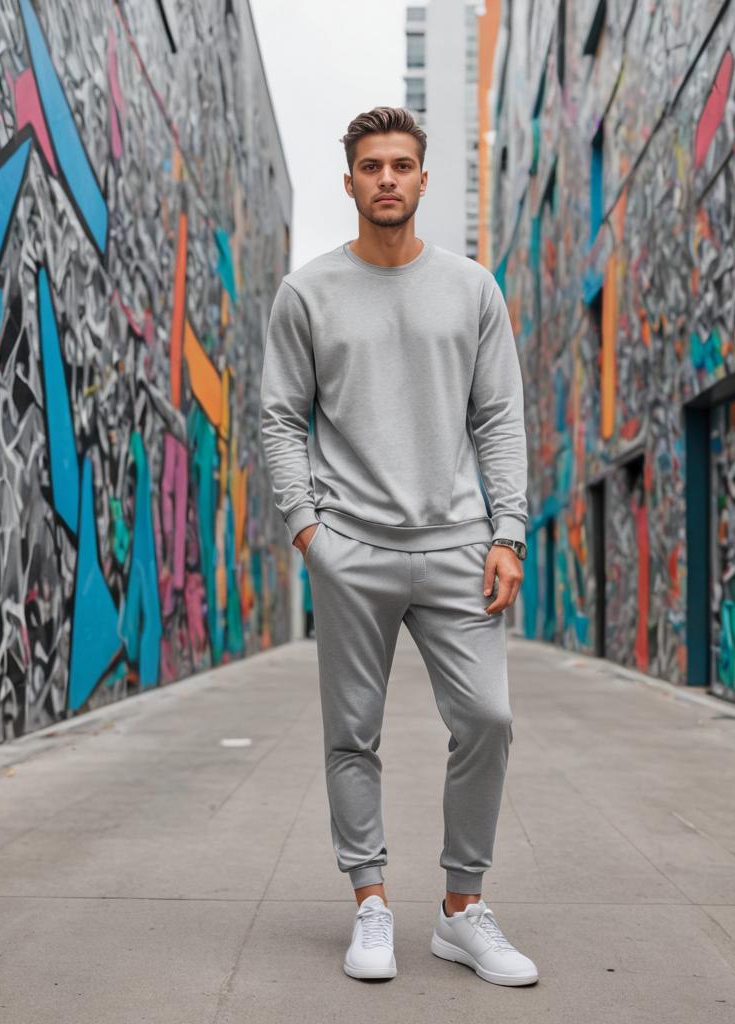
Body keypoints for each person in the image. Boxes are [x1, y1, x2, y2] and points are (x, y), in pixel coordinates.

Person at [259, 106, 537, 987]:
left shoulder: (472, 289)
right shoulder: (308, 294)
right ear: (350, 182)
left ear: (424, 179)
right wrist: (309, 533)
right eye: (371, 166)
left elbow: (499, 419)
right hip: (352, 545)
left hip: (459, 544)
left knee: (487, 719)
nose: (386, 178)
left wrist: (509, 532)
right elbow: (278, 417)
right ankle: (370, 902)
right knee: (353, 732)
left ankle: (461, 910)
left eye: (402, 165)